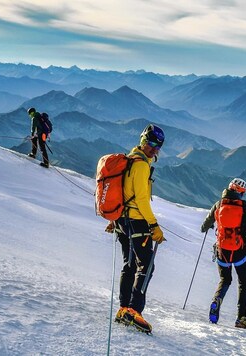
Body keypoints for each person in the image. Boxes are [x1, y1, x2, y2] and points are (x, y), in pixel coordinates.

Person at [111, 123, 166, 333]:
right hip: (137, 220)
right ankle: (134, 310)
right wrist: (154, 225)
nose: (154, 148)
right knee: (146, 265)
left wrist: (113, 218)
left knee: (129, 264)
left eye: (158, 145)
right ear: (142, 140)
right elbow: (142, 200)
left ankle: (123, 308)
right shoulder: (142, 165)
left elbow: (121, 190)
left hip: (122, 220)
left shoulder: (129, 158)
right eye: (151, 143)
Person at [201, 178, 246, 329]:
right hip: (239, 252)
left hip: (221, 251)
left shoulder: (219, 204)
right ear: (241, 193)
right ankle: (241, 318)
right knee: (243, 283)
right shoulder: (245, 206)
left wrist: (213, 226)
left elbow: (204, 226)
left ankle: (217, 300)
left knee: (225, 279)